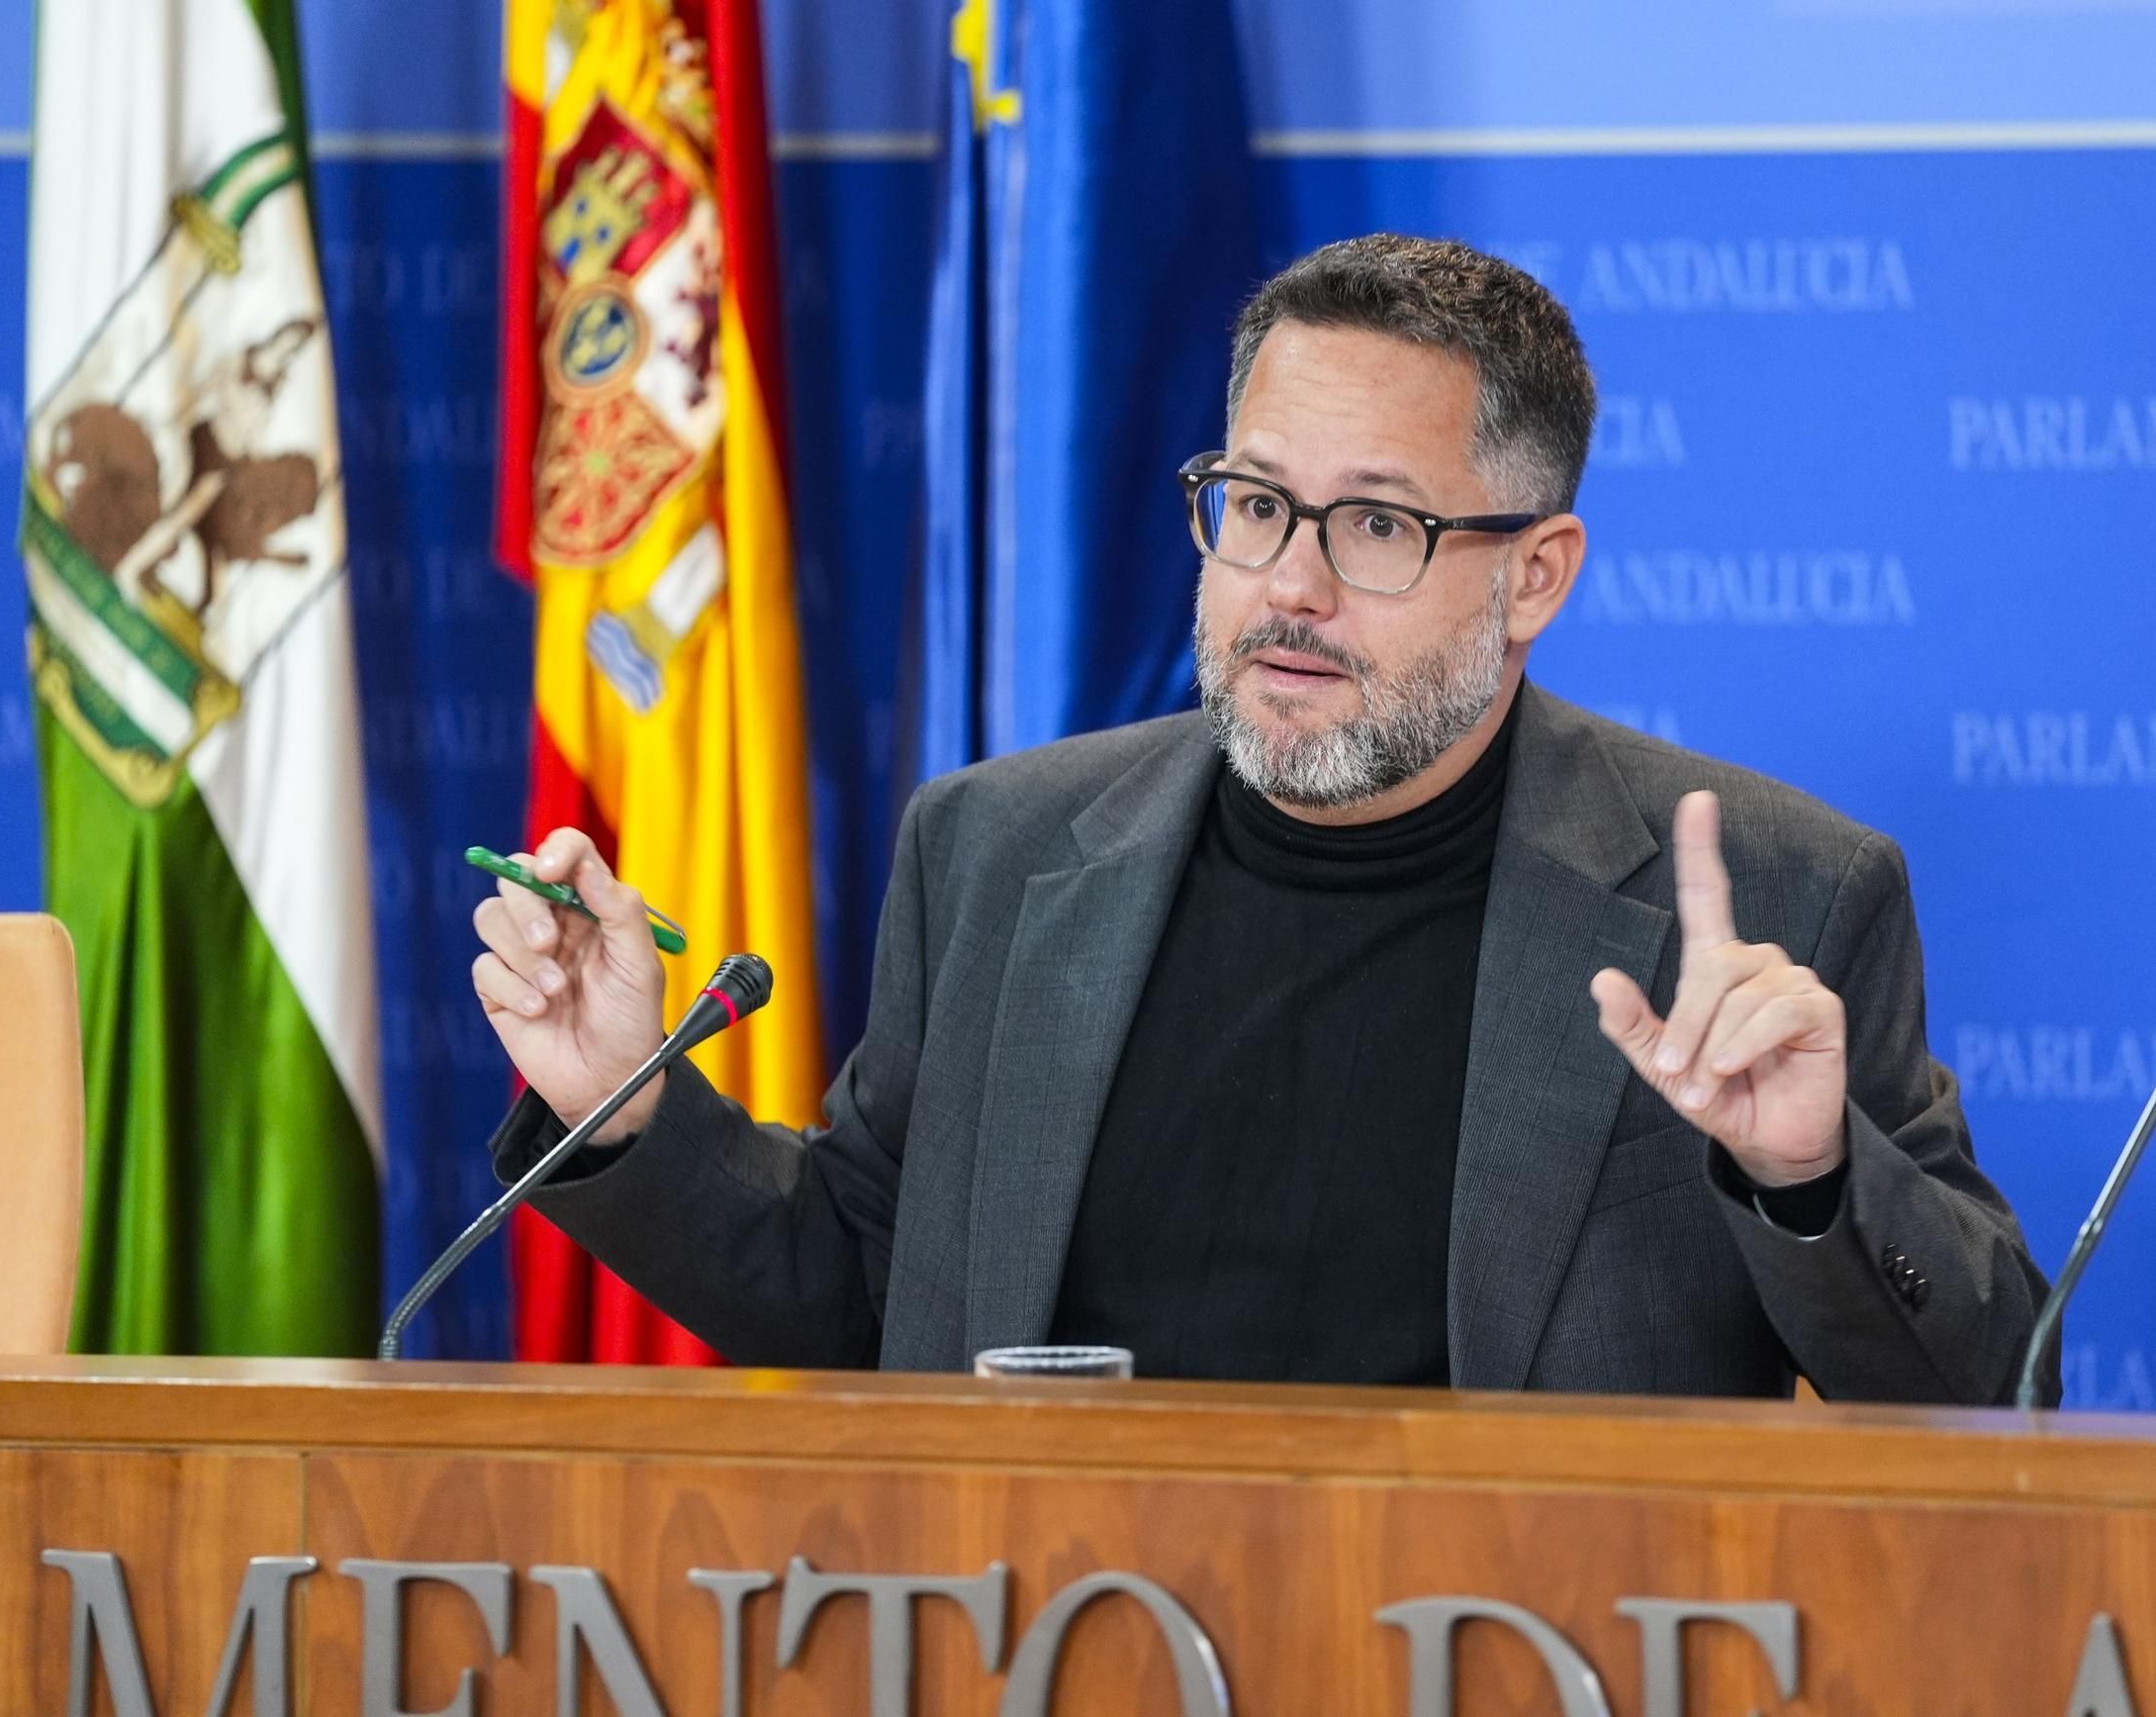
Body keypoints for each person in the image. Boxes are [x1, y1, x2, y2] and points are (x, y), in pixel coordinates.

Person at [474, 234, 2055, 1402]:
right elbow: (867, 1298)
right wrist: (629, 1109)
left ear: (1536, 576)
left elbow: (1991, 1392)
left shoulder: (1786, 892)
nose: (1287, 586)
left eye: (1375, 523)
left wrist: (1808, 1182)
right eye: (1255, 503)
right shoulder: (998, 852)